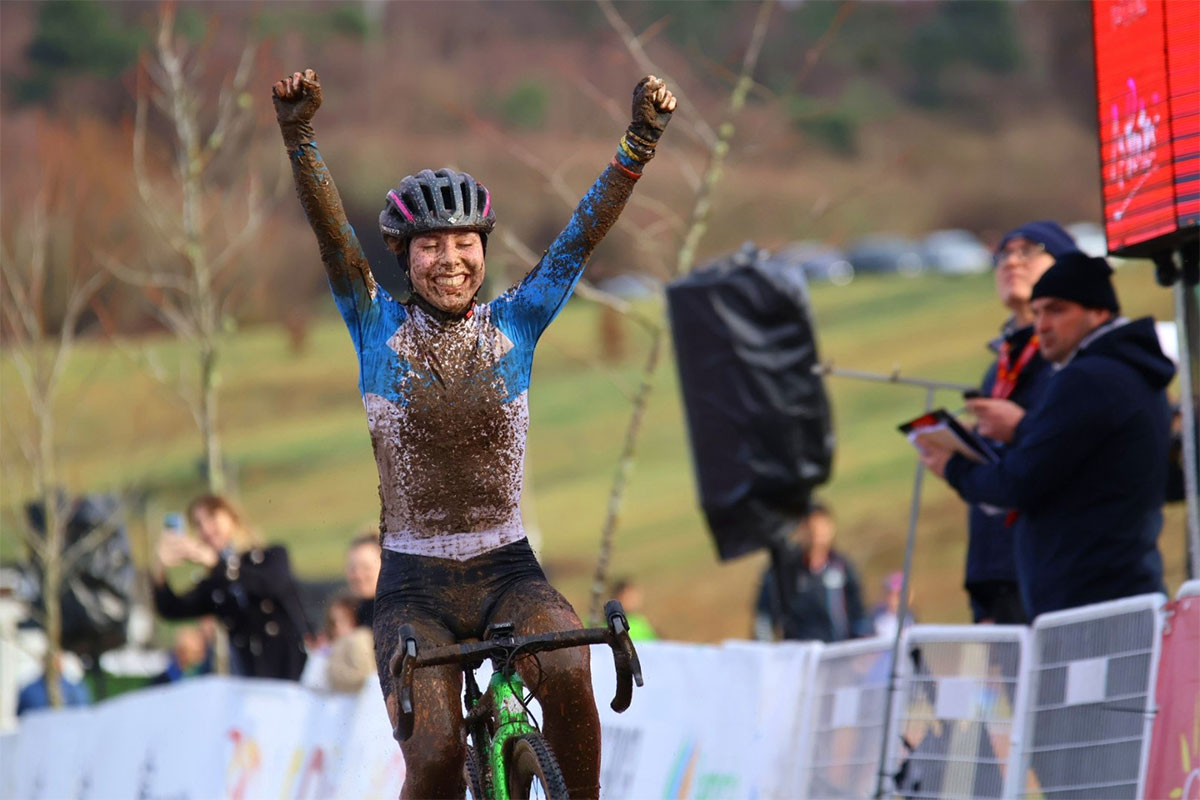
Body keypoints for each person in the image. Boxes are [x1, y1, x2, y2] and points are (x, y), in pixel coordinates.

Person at [272, 68, 675, 798]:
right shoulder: (375, 326)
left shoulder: (516, 323)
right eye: (429, 246)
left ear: (484, 248)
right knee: (432, 760)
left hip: (508, 570)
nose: (449, 259)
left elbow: (582, 237)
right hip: (413, 588)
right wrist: (300, 137)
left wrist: (640, 140)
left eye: (463, 242)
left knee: (568, 670)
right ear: (404, 256)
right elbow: (333, 237)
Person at [920, 253, 1173, 618]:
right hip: (1120, 590)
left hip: (1088, 605)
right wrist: (1024, 429)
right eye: (1037, 313)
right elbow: (1082, 462)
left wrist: (953, 466)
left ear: (1098, 312)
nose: (1042, 325)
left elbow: (1019, 482)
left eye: (1056, 310)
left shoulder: (1085, 378)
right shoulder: (1130, 370)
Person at [963, 221, 1080, 624]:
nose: (1012, 261)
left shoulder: (1077, 363)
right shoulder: (997, 369)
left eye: (1029, 250)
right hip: (1001, 576)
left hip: (1060, 573)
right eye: (1004, 253)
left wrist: (1023, 427)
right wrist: (983, 589)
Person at [152, 494, 312, 681]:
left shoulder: (270, 557)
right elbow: (172, 609)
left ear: (232, 516)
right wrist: (159, 568)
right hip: (254, 679)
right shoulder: (215, 583)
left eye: (212, 516)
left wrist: (218, 564)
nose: (206, 528)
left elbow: (271, 585)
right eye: (198, 524)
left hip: (295, 671)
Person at [753, 503, 872, 643]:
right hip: (797, 657)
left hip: (838, 655)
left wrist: (860, 652)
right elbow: (764, 618)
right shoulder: (782, 571)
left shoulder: (842, 567)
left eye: (821, 526)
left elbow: (859, 615)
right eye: (810, 526)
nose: (816, 533)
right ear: (799, 529)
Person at [17, 653, 91, 715]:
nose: (53, 665)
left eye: (56, 661)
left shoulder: (76, 689)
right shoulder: (29, 691)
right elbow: (22, 717)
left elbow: (82, 713)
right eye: (50, 661)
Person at [345, 532, 381, 627]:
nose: (358, 575)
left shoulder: (394, 613)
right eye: (353, 568)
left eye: (366, 568)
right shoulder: (344, 613)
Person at [870, 571, 915, 642]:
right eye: (890, 594)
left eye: (898, 595)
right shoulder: (876, 618)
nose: (893, 600)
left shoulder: (910, 619)